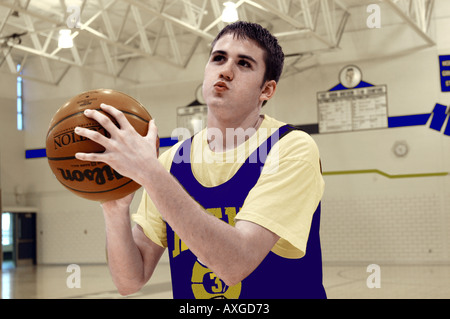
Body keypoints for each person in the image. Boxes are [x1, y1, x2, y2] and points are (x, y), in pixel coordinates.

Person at [74, 21, 326, 299]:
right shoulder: (171, 162)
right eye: (218, 58)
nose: (226, 71)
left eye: (244, 64)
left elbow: (235, 264)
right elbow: (129, 281)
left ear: (266, 90)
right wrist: (114, 208)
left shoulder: (291, 148)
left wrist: (149, 172)